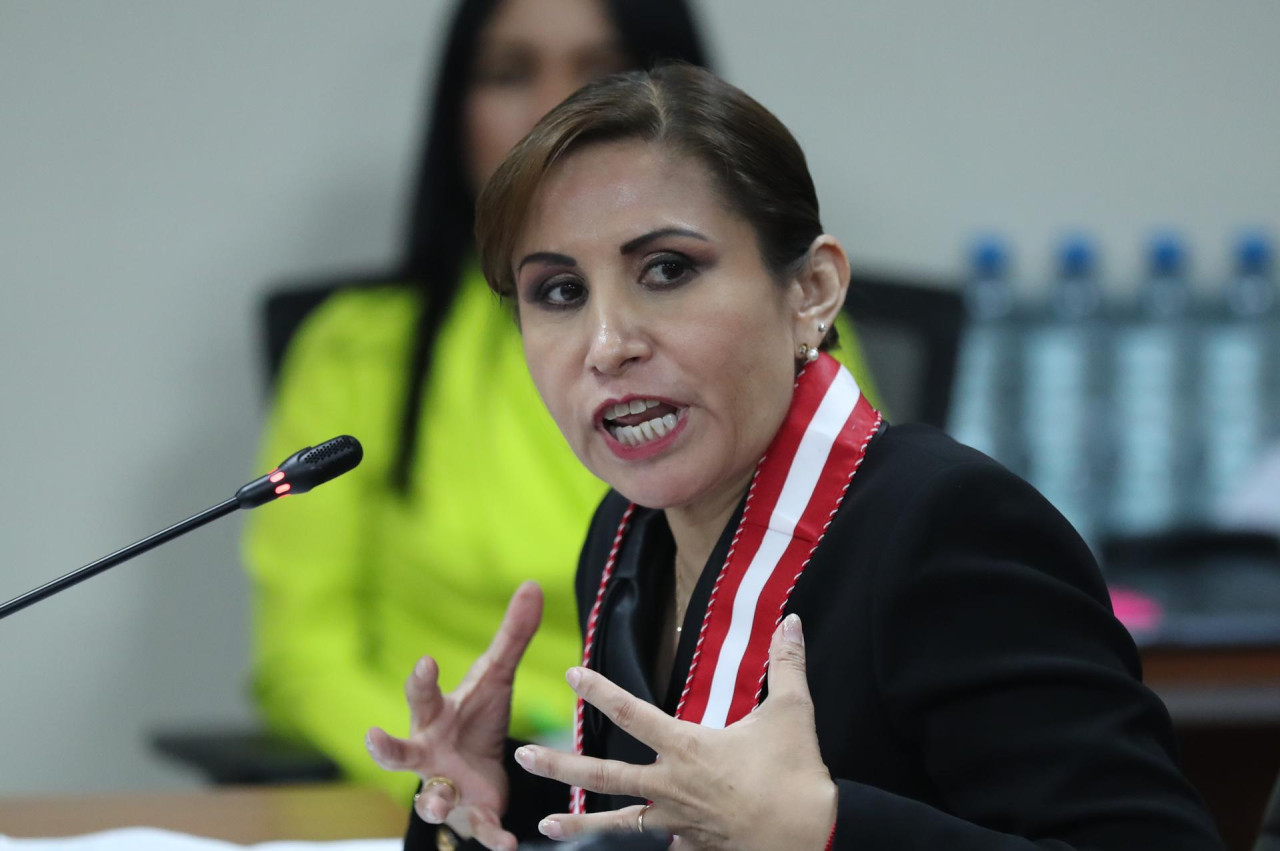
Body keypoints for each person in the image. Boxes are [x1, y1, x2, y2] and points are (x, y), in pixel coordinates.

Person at [365, 64, 1225, 850]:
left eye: (666, 269)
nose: (607, 343)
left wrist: (826, 831)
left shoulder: (949, 530)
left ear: (810, 290)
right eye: (558, 291)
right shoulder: (629, 537)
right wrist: (491, 801)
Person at [243, 0, 715, 798]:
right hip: (451, 798)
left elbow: (817, 621)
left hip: (693, 802)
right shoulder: (359, 348)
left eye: (601, 72)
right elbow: (306, 651)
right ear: (452, 111)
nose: (554, 112)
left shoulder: (771, 334)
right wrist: (456, 766)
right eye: (508, 73)